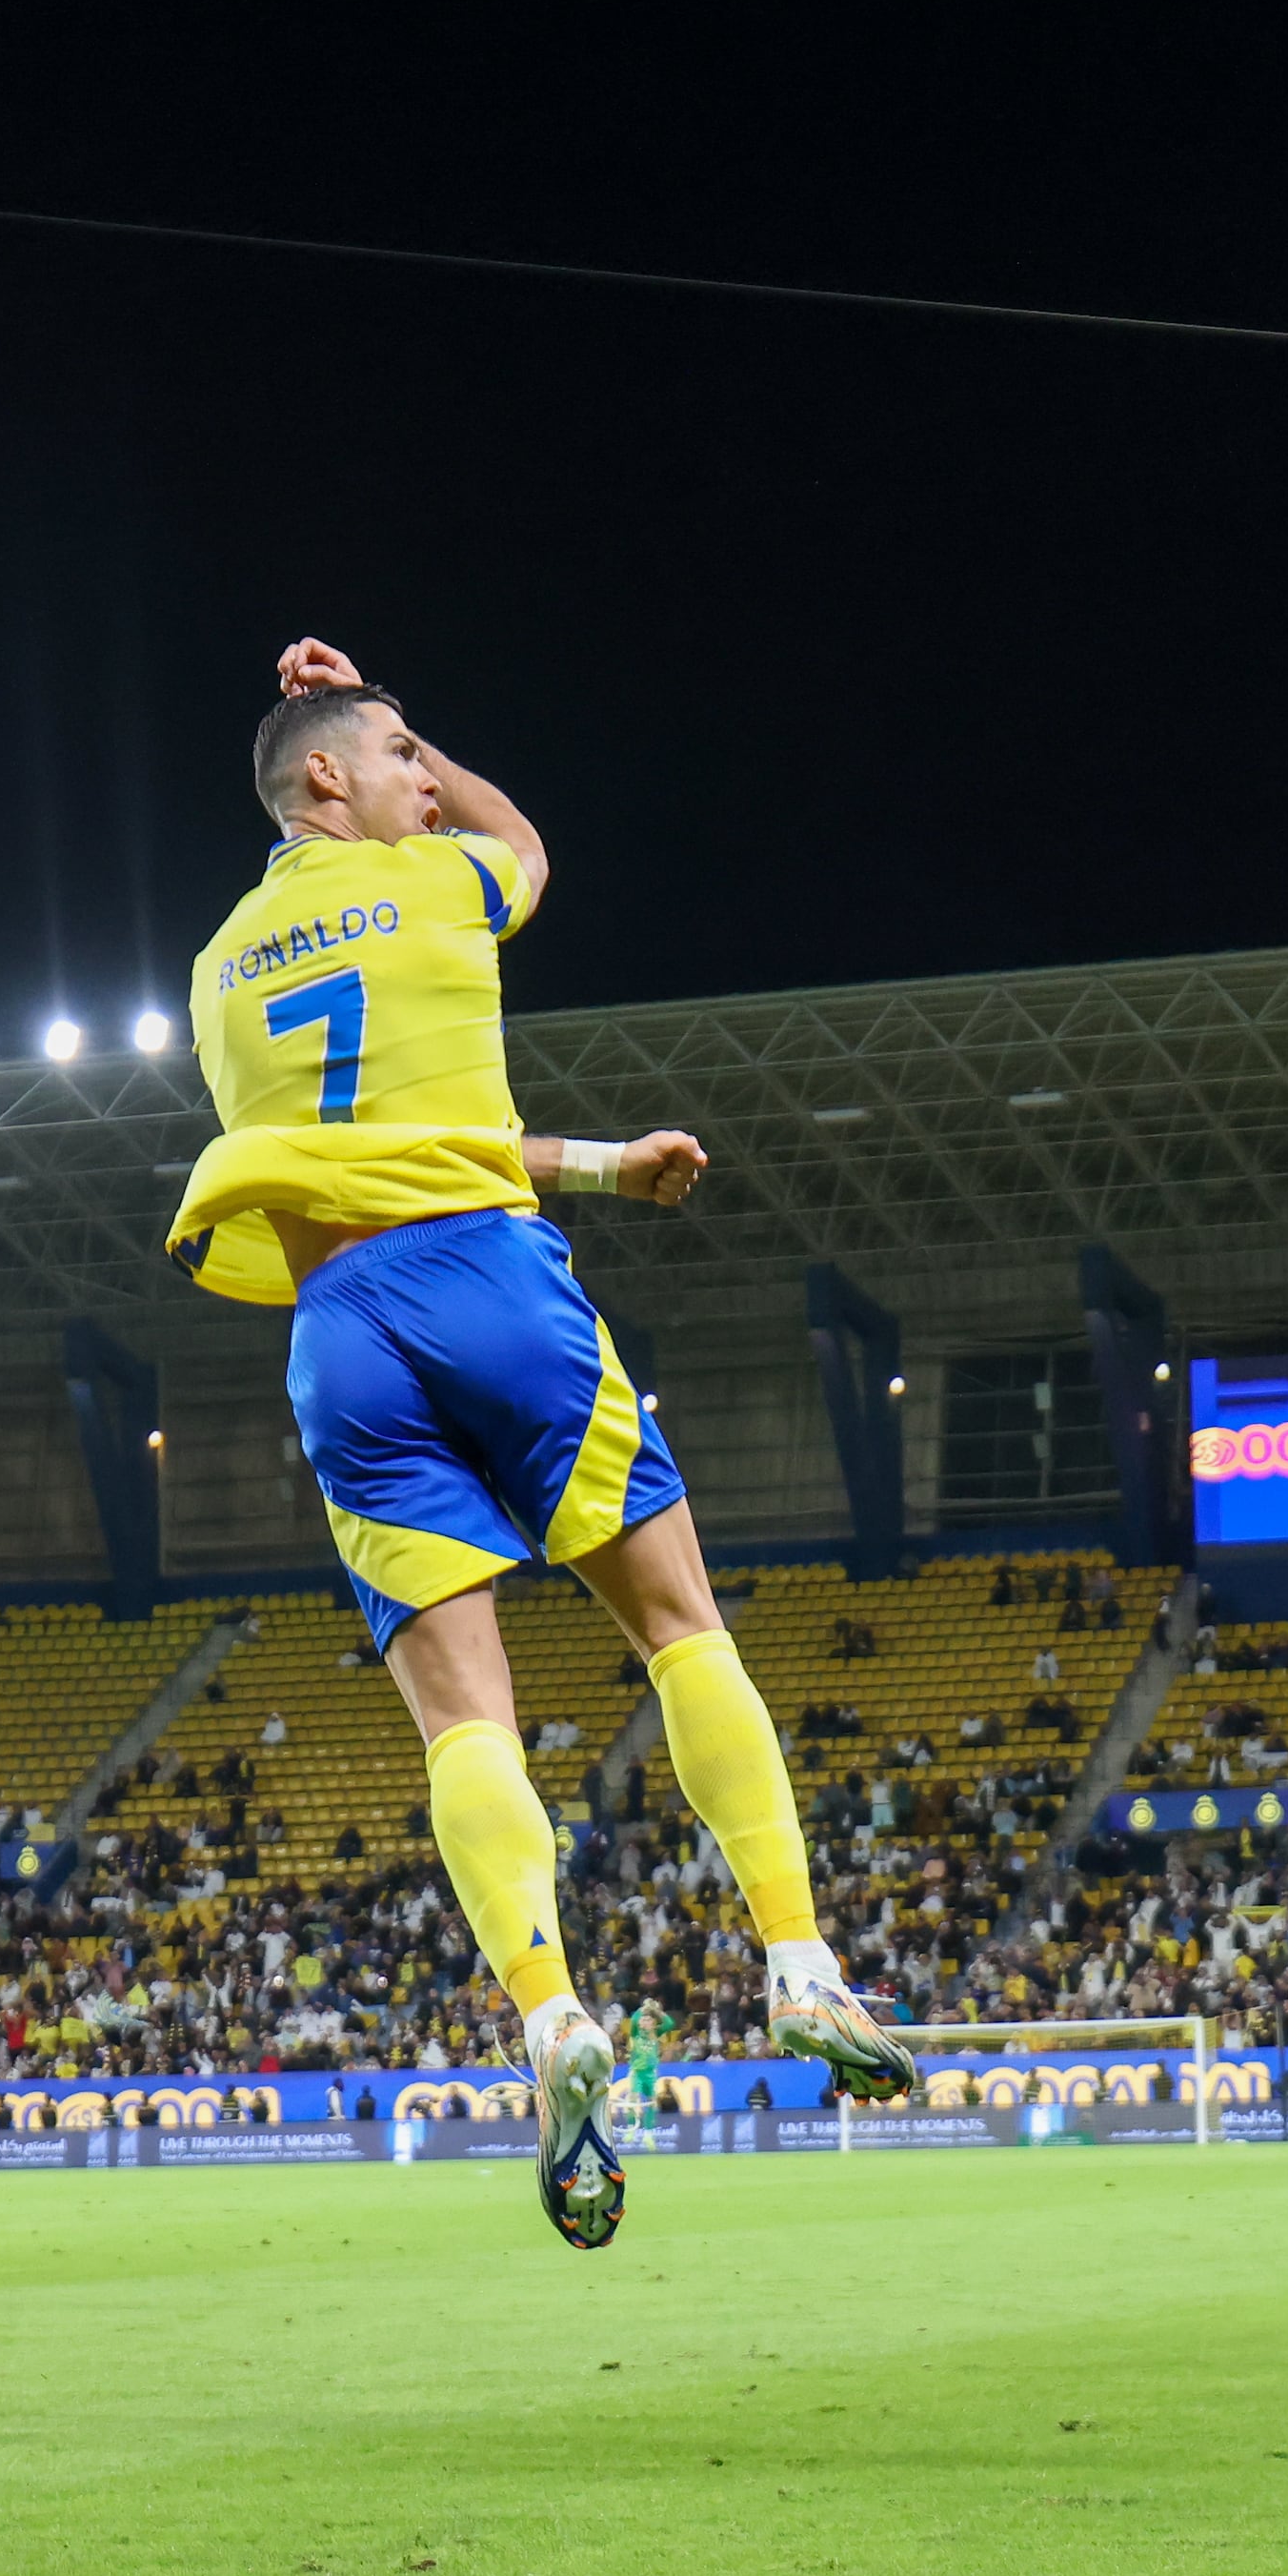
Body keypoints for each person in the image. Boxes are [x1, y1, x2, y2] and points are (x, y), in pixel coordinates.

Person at [161, 638, 915, 2250]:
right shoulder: (437, 887)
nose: (427, 784)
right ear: (328, 782)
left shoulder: (217, 974)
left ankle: (551, 2016)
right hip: (490, 1279)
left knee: (461, 1721)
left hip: (338, 1336)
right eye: (401, 760)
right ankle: (798, 1958)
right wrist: (413, 725)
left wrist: (580, 1157)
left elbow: (348, 1145)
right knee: (673, 1620)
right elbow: (530, 854)